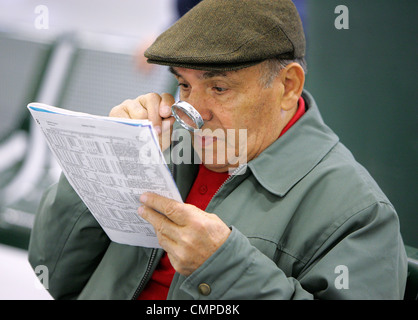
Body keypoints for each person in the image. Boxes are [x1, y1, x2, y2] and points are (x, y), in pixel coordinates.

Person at [28, 0, 407, 299]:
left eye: (219, 88)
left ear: (288, 86)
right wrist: (105, 158)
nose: (193, 113)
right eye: (185, 86)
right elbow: (54, 273)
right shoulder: (161, 146)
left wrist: (224, 267)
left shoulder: (359, 213)